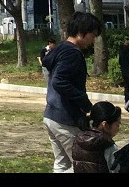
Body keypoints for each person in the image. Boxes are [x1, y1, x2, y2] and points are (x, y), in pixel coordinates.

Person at [41, 11, 102, 173]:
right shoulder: (72, 53)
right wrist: (85, 103)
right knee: (82, 164)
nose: (93, 39)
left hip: (51, 116)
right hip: (65, 119)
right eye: (93, 34)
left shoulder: (60, 48)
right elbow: (59, 81)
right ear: (82, 32)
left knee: (63, 165)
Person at [71, 101, 122, 173]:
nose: (118, 129)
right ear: (105, 124)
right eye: (117, 125)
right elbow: (116, 170)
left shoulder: (78, 140)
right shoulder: (107, 145)